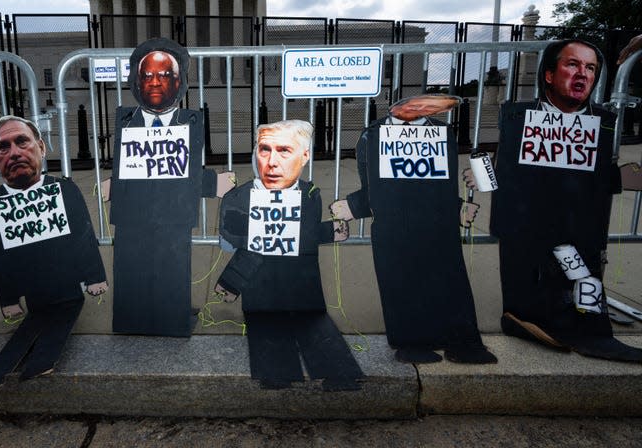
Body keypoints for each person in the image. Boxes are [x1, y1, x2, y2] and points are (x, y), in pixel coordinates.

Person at [479, 39, 642, 361]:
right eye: (573, 65)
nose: (582, 74)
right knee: (538, 274)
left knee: (581, 275)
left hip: (578, 224)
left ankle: (591, 331)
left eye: (590, 68)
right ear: (549, 75)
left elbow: (603, 176)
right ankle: (524, 319)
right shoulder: (521, 118)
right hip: (527, 222)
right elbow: (504, 174)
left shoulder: (600, 121)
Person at [330, 94, 496, 364]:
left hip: (437, 221)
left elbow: (443, 182)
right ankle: (410, 341)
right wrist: (354, 205)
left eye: (429, 105)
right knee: (399, 280)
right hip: (393, 221)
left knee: (450, 278)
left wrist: (457, 208)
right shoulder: (372, 135)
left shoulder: (442, 132)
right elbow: (371, 184)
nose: (422, 109)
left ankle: (462, 340)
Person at [214, 120, 362, 390]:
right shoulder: (239, 197)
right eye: (264, 149)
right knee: (265, 324)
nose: (271, 162)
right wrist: (233, 280)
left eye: (284, 150)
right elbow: (234, 239)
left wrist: (329, 232)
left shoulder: (309, 194)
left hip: (300, 277)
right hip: (258, 281)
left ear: (304, 156)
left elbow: (303, 235)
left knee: (311, 321)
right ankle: (276, 374)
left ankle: (337, 372)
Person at [105, 37, 234, 337]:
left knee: (171, 268)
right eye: (147, 74)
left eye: (164, 75)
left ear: (179, 82)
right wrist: (115, 183)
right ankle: (130, 322)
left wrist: (212, 183)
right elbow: (135, 167)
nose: (155, 82)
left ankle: (170, 320)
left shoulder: (189, 123)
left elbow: (184, 171)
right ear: (136, 82)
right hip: (132, 216)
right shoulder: (126, 122)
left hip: (175, 214)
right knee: (131, 268)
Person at [0, 115, 108, 391]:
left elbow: (83, 236)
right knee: (33, 324)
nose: (14, 153)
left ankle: (40, 362)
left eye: (22, 141)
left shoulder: (64, 189)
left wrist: (95, 276)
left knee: (60, 320)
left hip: (68, 287)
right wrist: (8, 299)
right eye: (4, 147)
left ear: (41, 147)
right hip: (31, 291)